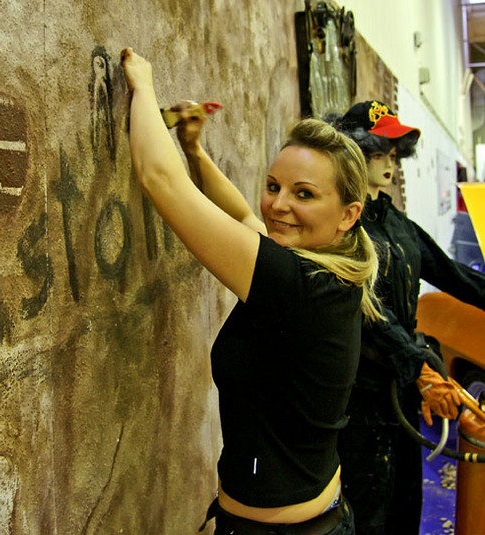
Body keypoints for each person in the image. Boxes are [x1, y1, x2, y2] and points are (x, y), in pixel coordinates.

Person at [121, 47, 381, 534]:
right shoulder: (326, 273)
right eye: (273, 185)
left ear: (348, 214)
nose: (279, 205)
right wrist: (195, 150)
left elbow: (159, 179)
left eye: (304, 194)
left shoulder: (298, 285)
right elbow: (244, 216)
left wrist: (144, 85)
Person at [331, 100, 485, 535]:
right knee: (366, 512)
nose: (390, 162)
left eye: (395, 152)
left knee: (406, 507)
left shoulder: (401, 227)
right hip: (360, 398)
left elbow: (458, 278)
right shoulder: (345, 229)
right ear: (356, 153)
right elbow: (369, 311)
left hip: (404, 392)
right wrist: (416, 364)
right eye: (380, 150)